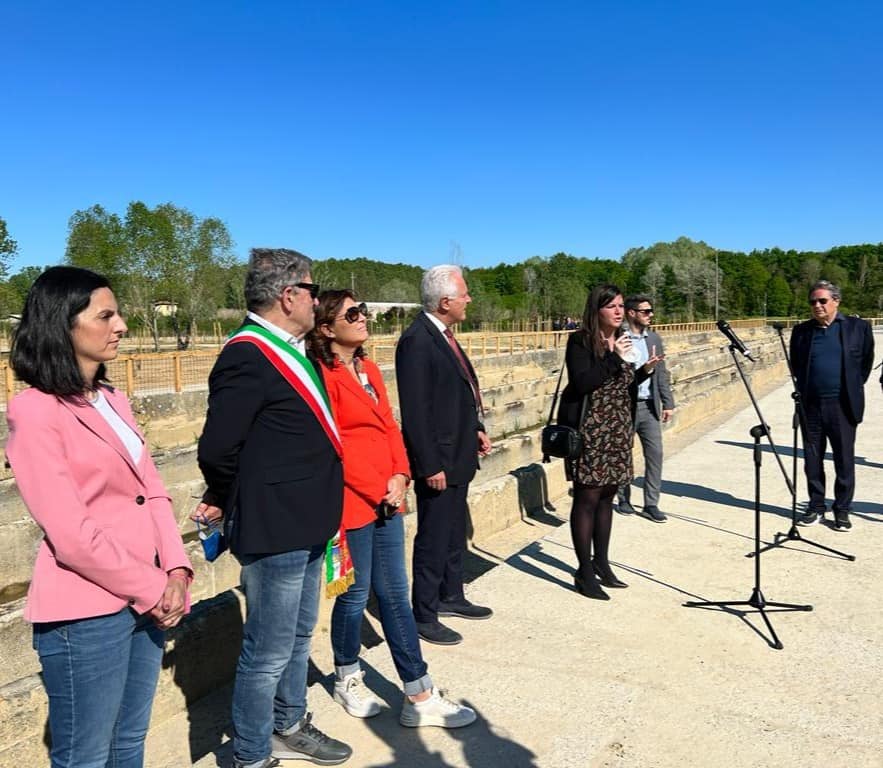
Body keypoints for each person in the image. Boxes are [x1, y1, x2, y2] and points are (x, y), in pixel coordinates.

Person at [6, 266, 193, 768]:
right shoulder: (35, 411)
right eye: (106, 315)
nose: (122, 325)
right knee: (85, 756)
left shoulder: (114, 399)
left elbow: (151, 491)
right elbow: (71, 534)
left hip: (149, 594)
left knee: (130, 741)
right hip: (86, 611)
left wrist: (176, 569)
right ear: (62, 324)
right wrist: (154, 587)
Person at [195, 249, 351, 768]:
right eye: (311, 289)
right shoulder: (247, 353)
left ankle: (289, 723)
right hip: (275, 523)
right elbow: (218, 449)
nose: (315, 298)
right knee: (267, 650)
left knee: (299, 634)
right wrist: (235, 495)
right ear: (289, 297)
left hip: (307, 520)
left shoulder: (292, 349)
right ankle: (252, 752)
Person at [309, 290, 476, 728]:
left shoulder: (366, 368)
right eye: (352, 313)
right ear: (327, 329)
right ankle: (347, 673)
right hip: (353, 501)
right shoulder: (322, 376)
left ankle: (418, 694)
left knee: (396, 596)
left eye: (363, 309)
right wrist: (378, 485)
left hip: (388, 496)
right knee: (355, 595)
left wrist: (401, 475)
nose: (363, 317)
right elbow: (335, 443)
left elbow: (388, 425)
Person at [395, 265, 492, 646]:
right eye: (464, 294)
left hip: (459, 451)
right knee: (434, 535)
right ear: (445, 301)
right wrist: (428, 463)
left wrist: (476, 431)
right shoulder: (417, 340)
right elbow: (417, 410)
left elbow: (458, 393)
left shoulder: (445, 336)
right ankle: (425, 610)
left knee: (453, 531)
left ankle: (453, 594)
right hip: (439, 460)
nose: (469, 300)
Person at [558, 284, 662, 600]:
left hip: (617, 429)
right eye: (612, 306)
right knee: (587, 499)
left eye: (620, 306)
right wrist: (615, 358)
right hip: (590, 431)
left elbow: (623, 385)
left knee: (607, 497)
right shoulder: (579, 341)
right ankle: (584, 571)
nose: (619, 312)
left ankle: (601, 562)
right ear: (597, 310)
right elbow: (584, 382)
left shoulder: (623, 340)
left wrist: (643, 372)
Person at [790, 280, 874, 531]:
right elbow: (796, 364)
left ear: (836, 301)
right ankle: (816, 506)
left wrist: (850, 388)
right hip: (810, 406)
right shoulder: (802, 332)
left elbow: (865, 363)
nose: (817, 306)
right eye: (813, 302)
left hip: (842, 406)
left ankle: (842, 510)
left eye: (822, 301)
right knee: (812, 460)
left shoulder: (858, 328)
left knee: (844, 460)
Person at [616, 294, 675, 522]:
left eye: (651, 311)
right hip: (625, 407)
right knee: (623, 454)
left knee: (656, 454)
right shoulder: (618, 338)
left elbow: (662, 373)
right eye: (645, 311)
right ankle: (624, 498)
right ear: (631, 313)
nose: (650, 315)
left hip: (649, 405)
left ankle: (651, 503)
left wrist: (668, 402)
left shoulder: (654, 339)